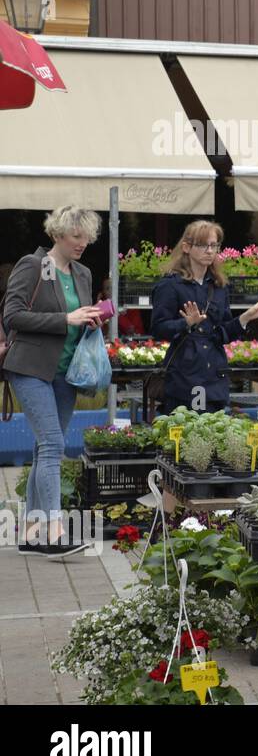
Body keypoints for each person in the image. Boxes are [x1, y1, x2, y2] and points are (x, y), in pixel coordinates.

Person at [2, 206, 104, 555]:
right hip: (30, 367)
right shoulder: (33, 265)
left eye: (87, 237)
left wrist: (91, 320)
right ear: (58, 234)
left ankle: (29, 535)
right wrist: (66, 318)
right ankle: (54, 533)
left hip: (65, 373)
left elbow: (76, 318)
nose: (83, 243)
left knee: (44, 447)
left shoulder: (84, 274)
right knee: (53, 447)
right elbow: (13, 315)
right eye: (77, 236)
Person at [150, 220, 258, 414]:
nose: (209, 250)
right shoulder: (170, 285)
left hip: (214, 373)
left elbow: (221, 333)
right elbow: (158, 329)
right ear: (186, 247)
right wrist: (186, 323)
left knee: (214, 432)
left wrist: (245, 318)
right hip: (184, 372)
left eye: (214, 245)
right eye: (202, 245)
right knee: (184, 432)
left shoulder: (218, 287)